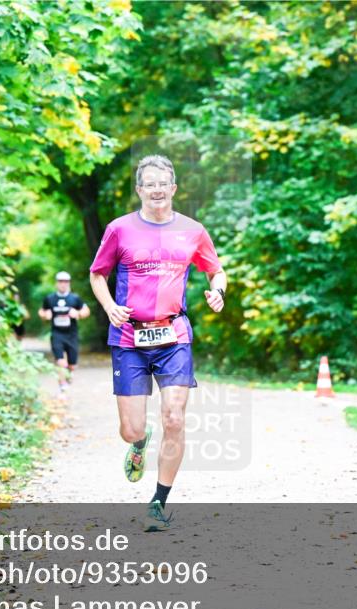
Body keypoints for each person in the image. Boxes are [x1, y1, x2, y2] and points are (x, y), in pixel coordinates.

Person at [88, 154, 226, 532]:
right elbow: (97, 274)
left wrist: (218, 291)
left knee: (175, 418)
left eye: (163, 183)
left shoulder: (193, 230)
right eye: (149, 183)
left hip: (173, 335)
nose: (157, 189)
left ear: (174, 188)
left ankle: (158, 503)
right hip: (130, 336)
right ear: (139, 189)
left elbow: (216, 270)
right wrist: (110, 306)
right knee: (130, 428)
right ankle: (138, 442)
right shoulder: (120, 229)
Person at [39, 271, 90, 394]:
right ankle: (62, 384)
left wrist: (78, 313)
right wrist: (45, 315)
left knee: (72, 365)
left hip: (72, 334)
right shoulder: (50, 298)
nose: (63, 284)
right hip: (57, 334)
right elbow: (41, 311)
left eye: (66, 281)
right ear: (57, 283)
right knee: (60, 361)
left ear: (69, 283)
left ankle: (69, 374)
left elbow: (86, 310)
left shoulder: (74, 298)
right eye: (60, 281)